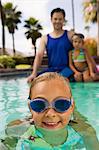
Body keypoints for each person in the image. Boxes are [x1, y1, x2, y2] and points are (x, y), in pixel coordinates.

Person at [27, 8, 74, 83]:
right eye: (55, 19)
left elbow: (81, 50)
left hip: (67, 70)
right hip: (52, 70)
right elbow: (39, 56)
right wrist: (34, 73)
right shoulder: (45, 38)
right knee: (36, 81)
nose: (57, 21)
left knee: (58, 81)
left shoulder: (70, 35)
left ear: (63, 20)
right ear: (51, 20)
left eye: (60, 19)